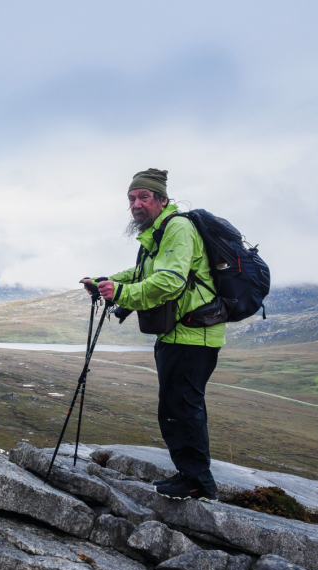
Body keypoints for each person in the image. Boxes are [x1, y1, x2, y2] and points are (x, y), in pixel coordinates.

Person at [82, 168, 224, 501]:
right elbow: (143, 272)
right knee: (175, 406)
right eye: (131, 198)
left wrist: (119, 293)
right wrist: (107, 281)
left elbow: (169, 281)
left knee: (183, 407)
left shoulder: (177, 229)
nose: (135, 204)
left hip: (194, 336)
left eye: (143, 197)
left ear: (161, 199)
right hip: (178, 334)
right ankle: (190, 476)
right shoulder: (157, 232)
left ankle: (199, 484)